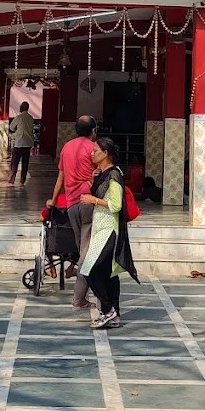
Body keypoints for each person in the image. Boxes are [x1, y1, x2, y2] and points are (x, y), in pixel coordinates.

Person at [78, 136, 138, 329]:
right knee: (107, 273)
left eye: (96, 150)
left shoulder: (114, 175)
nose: (92, 153)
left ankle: (107, 308)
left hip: (109, 229)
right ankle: (115, 315)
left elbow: (116, 205)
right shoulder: (103, 174)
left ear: (106, 154)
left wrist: (93, 200)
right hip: (100, 228)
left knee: (89, 269)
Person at [49, 115, 99, 311]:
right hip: (88, 202)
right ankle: (79, 298)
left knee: (82, 248)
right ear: (93, 130)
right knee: (88, 252)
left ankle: (82, 290)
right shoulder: (92, 148)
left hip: (71, 205)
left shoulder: (67, 147)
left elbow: (60, 178)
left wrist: (53, 201)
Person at [9, 102, 35, 186]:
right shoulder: (31, 118)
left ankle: (12, 179)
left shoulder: (19, 117)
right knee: (25, 163)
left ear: (21, 108)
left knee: (15, 162)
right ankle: (22, 181)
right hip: (28, 143)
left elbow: (11, 127)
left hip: (19, 143)